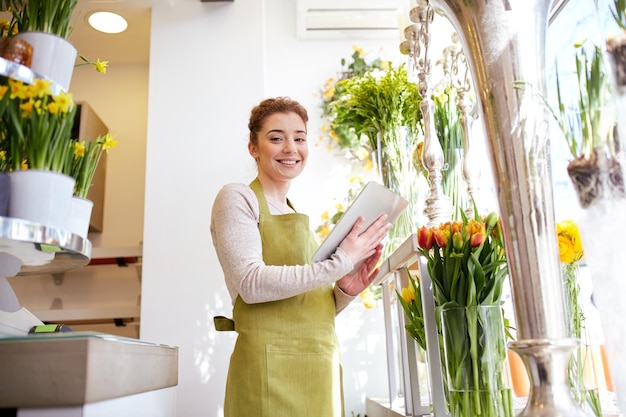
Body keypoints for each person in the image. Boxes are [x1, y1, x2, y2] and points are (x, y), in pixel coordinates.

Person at [210, 96, 391, 417]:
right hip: (268, 372)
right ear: (254, 148)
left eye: (300, 138)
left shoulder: (297, 214)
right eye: (276, 138)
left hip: (319, 368)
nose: (291, 148)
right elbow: (251, 284)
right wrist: (339, 263)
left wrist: (344, 290)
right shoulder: (237, 198)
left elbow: (302, 306)